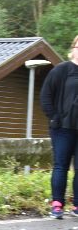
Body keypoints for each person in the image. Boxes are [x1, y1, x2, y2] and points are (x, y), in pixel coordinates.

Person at [39, 34, 78, 219]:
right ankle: (57, 204)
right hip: (62, 129)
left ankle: (77, 206)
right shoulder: (61, 70)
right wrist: (54, 118)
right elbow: (45, 96)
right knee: (61, 166)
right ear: (73, 49)